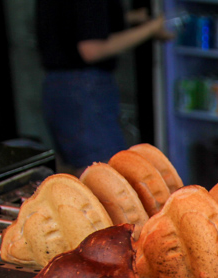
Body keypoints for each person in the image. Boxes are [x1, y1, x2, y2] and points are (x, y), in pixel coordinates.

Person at [36, 1, 172, 171]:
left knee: (76, 173)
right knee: (104, 173)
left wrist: (130, 18)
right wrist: (151, 28)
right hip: (83, 89)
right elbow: (91, 49)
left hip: (56, 85)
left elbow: (75, 22)